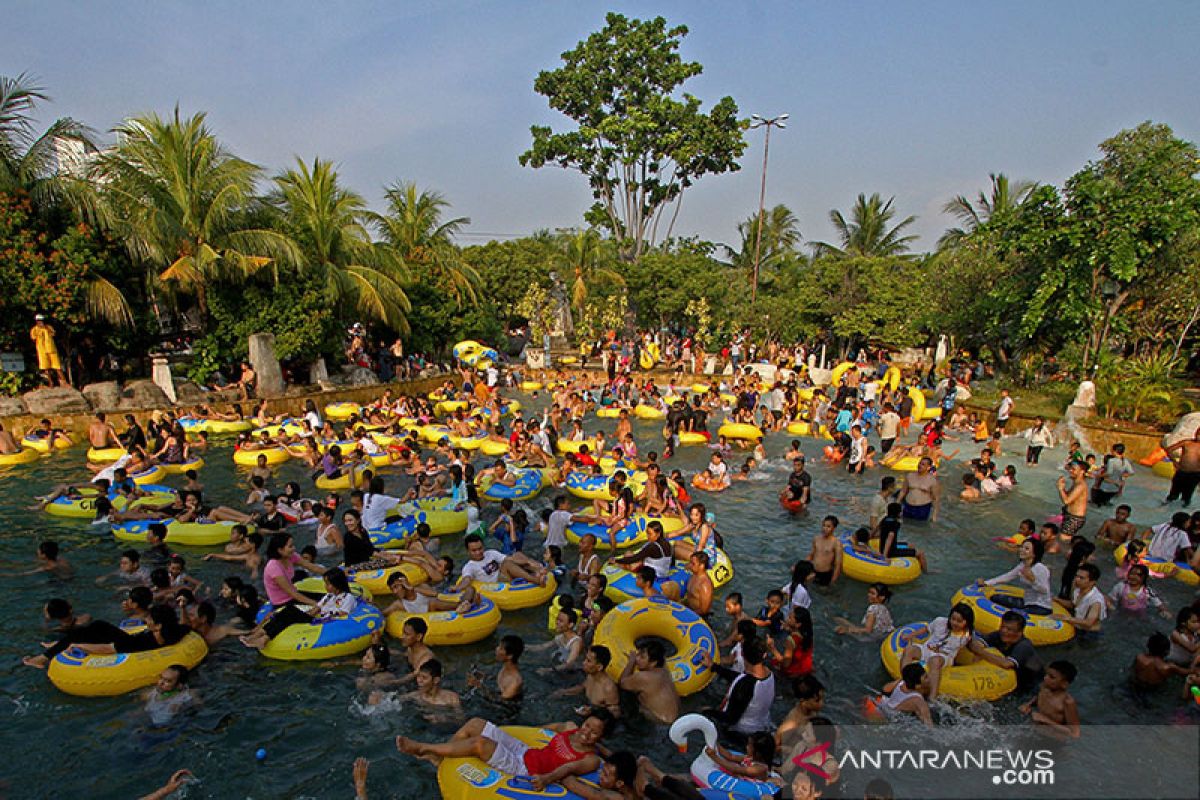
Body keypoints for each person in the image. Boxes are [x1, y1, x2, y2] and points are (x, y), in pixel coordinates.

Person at [396, 709, 615, 790]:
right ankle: (443, 761)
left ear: (601, 737)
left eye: (594, 732)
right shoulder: (570, 728)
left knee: (479, 743)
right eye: (587, 725)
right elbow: (543, 730)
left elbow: (566, 769)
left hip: (527, 769)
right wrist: (515, 736)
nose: (586, 732)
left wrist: (547, 779)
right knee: (475, 724)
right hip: (526, 751)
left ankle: (424, 748)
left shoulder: (590, 759)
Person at [240, 567, 356, 650]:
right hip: (316, 618)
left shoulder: (348, 597)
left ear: (338, 583)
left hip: (327, 621)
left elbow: (343, 614)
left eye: (329, 584)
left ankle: (263, 638)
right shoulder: (328, 596)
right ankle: (259, 636)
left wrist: (322, 612)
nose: (326, 587)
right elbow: (316, 609)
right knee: (286, 614)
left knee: (290, 610)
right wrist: (305, 614)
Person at [899, 602, 975, 702]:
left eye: (959, 621)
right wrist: (910, 635)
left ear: (966, 622)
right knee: (910, 650)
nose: (954, 623)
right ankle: (904, 680)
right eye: (953, 619)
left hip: (944, 657)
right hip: (926, 649)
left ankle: (932, 697)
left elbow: (968, 646)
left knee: (935, 661)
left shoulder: (965, 635)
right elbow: (926, 629)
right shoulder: (940, 622)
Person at [966, 611, 1044, 694]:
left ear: (1020, 632)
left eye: (1009, 629)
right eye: (1002, 627)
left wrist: (980, 652)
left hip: (1031, 685)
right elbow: (978, 643)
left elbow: (1007, 664)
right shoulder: (999, 635)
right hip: (1012, 680)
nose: (1004, 631)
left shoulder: (1024, 646)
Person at [976, 537, 1053, 615]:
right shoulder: (1022, 565)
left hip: (1041, 607)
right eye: (1022, 547)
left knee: (1013, 614)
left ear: (1034, 553)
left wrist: (1033, 580)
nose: (1022, 550)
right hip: (1027, 602)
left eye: (1026, 549)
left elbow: (1044, 590)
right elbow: (1007, 577)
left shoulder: (1040, 568)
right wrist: (986, 583)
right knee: (995, 597)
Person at [455, 533, 548, 591]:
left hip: (504, 574)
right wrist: (457, 588)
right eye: (474, 550)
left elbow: (510, 559)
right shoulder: (469, 566)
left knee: (517, 554)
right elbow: (466, 579)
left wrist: (526, 562)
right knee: (507, 564)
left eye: (480, 548)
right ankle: (535, 580)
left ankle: (538, 569)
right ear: (468, 551)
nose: (478, 552)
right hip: (498, 583)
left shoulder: (490, 553)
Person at [619, 641, 679, 724]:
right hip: (675, 719)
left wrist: (631, 662)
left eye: (642, 657)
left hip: (660, 723)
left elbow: (622, 683)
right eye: (638, 654)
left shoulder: (645, 677)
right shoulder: (664, 671)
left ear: (653, 663)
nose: (637, 658)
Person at [1019, 660, 1080, 738]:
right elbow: (1038, 698)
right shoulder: (1044, 688)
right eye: (1046, 674)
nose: (1045, 678)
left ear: (1064, 684)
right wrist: (1028, 705)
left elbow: (1075, 734)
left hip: (1054, 741)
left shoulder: (1067, 702)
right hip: (1036, 734)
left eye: (1052, 677)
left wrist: (1046, 720)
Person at [467, 634, 525, 703]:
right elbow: (500, 681)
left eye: (501, 648)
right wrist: (485, 676)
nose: (496, 649)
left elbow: (500, 702)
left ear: (510, 656)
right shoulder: (506, 667)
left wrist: (479, 686)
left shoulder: (515, 682)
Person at [1051, 563, 1106, 635]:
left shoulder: (1096, 600)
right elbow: (1073, 604)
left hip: (1090, 634)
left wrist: (1065, 618)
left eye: (1081, 578)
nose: (1077, 579)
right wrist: (1056, 599)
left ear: (1092, 582)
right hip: (1077, 627)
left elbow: (1089, 623)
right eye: (1076, 576)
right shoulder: (1078, 590)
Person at [1052, 461, 1089, 553]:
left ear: (1082, 471)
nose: (1070, 471)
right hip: (1070, 516)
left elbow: (1066, 501)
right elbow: (1069, 498)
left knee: (1062, 544)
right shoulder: (1076, 482)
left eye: (1074, 469)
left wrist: (1060, 488)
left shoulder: (1081, 485)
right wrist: (1063, 488)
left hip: (1074, 518)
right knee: (1060, 542)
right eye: (1070, 468)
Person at [1163, 428, 1200, 507]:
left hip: (1195, 474)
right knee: (1173, 493)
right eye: (1198, 433)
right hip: (1182, 471)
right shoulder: (1187, 443)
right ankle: (1165, 507)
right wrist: (1174, 461)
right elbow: (1169, 449)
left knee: (1187, 495)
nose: (1199, 436)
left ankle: (1183, 510)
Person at [807, 516, 842, 586]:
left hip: (825, 574)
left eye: (828, 526)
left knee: (823, 592)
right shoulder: (816, 539)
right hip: (813, 571)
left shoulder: (836, 543)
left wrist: (833, 581)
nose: (824, 528)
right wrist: (800, 566)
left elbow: (838, 565)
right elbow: (811, 555)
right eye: (823, 525)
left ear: (834, 528)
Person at [30, 314, 65, 386]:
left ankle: (63, 381)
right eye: (38, 321)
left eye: (41, 320)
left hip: (51, 349)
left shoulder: (48, 327)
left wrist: (45, 328)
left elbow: (53, 334)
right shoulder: (34, 330)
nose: (40, 322)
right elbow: (33, 339)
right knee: (46, 368)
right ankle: (50, 383)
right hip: (42, 351)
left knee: (57, 366)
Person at [683, 552, 713, 616]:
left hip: (699, 618)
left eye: (693, 564)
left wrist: (686, 614)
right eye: (690, 562)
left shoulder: (705, 585)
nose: (690, 565)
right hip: (689, 610)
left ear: (701, 566)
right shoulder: (694, 575)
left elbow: (704, 610)